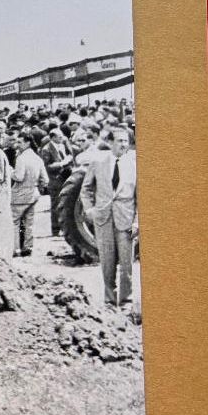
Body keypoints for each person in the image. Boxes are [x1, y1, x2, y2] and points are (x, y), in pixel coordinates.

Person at [79, 127, 138, 309]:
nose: (123, 144)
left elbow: (141, 196)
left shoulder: (135, 164)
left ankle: (126, 300)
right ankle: (109, 300)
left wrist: (137, 221)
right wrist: (89, 210)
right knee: (107, 260)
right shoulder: (98, 162)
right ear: (111, 143)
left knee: (126, 262)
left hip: (126, 220)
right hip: (103, 219)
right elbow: (86, 189)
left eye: (126, 141)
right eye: (119, 141)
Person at [10, 134, 46, 257]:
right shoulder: (38, 158)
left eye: (20, 142)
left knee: (14, 222)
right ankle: (28, 247)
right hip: (33, 193)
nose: (17, 145)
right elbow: (45, 179)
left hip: (20, 194)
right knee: (29, 223)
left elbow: (19, 177)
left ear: (27, 143)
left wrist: (10, 172)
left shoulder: (21, 158)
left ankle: (15, 249)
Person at [39, 129, 72, 235]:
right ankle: (55, 229)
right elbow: (47, 166)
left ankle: (64, 227)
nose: (61, 139)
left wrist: (68, 159)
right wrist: (62, 163)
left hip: (64, 178)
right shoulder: (46, 149)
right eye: (59, 137)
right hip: (55, 180)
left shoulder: (61, 146)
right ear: (53, 137)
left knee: (64, 204)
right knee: (55, 205)